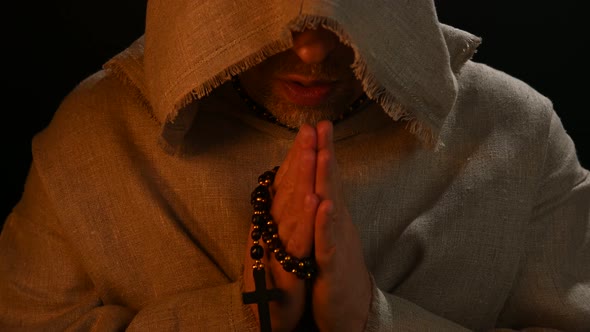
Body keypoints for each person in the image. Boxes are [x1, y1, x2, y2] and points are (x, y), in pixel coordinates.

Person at [1, 0, 588, 331]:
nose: (311, 51)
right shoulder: (91, 138)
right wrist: (241, 315)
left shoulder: (520, 135)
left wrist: (369, 317)